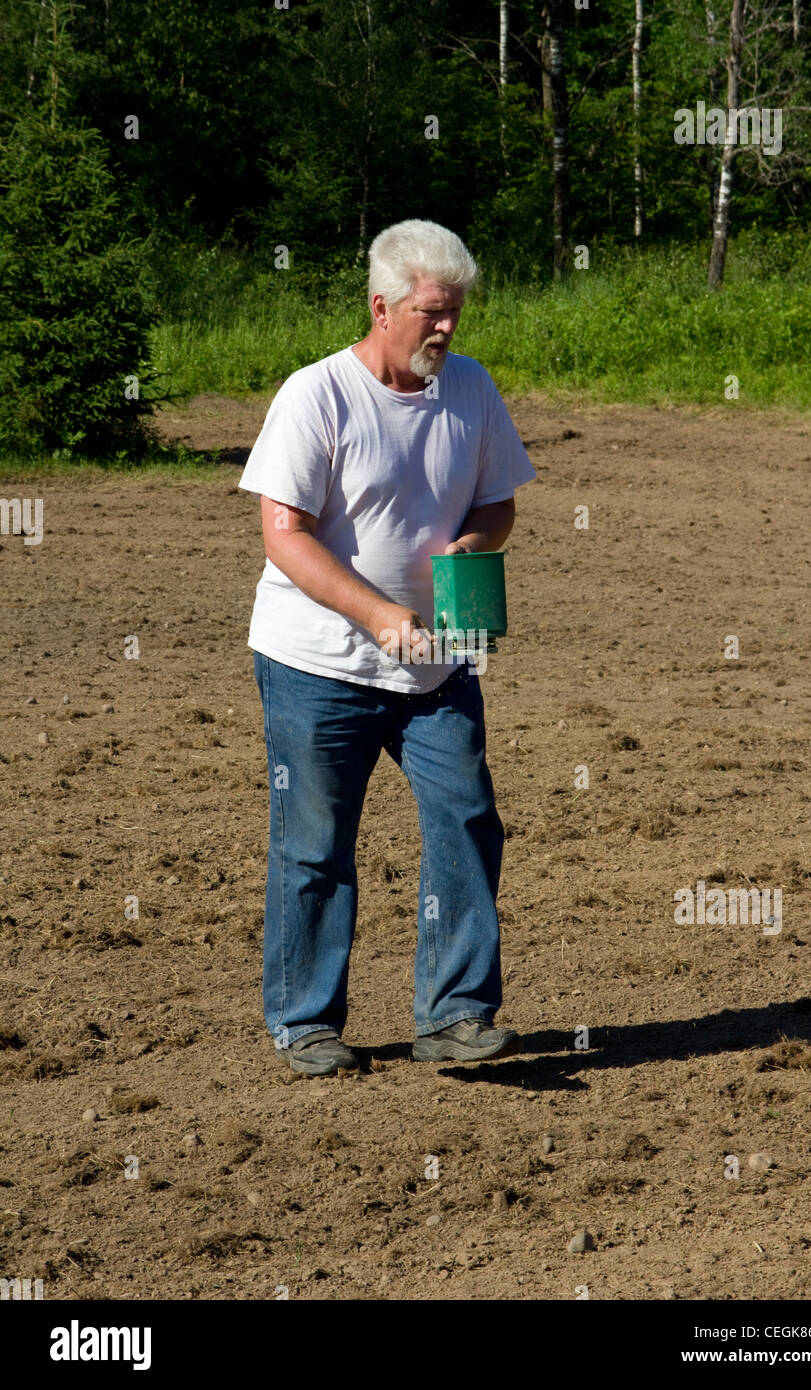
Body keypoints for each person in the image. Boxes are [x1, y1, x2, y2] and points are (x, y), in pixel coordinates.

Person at [237, 218, 536, 1075]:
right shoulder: (316, 396)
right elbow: (284, 535)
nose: (447, 328)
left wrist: (472, 549)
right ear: (381, 306)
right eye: (432, 312)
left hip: (438, 661)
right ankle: (305, 1022)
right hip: (317, 662)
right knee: (315, 839)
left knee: (468, 819)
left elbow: (496, 503)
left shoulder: (472, 391)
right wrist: (376, 616)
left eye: (456, 312)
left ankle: (453, 1015)